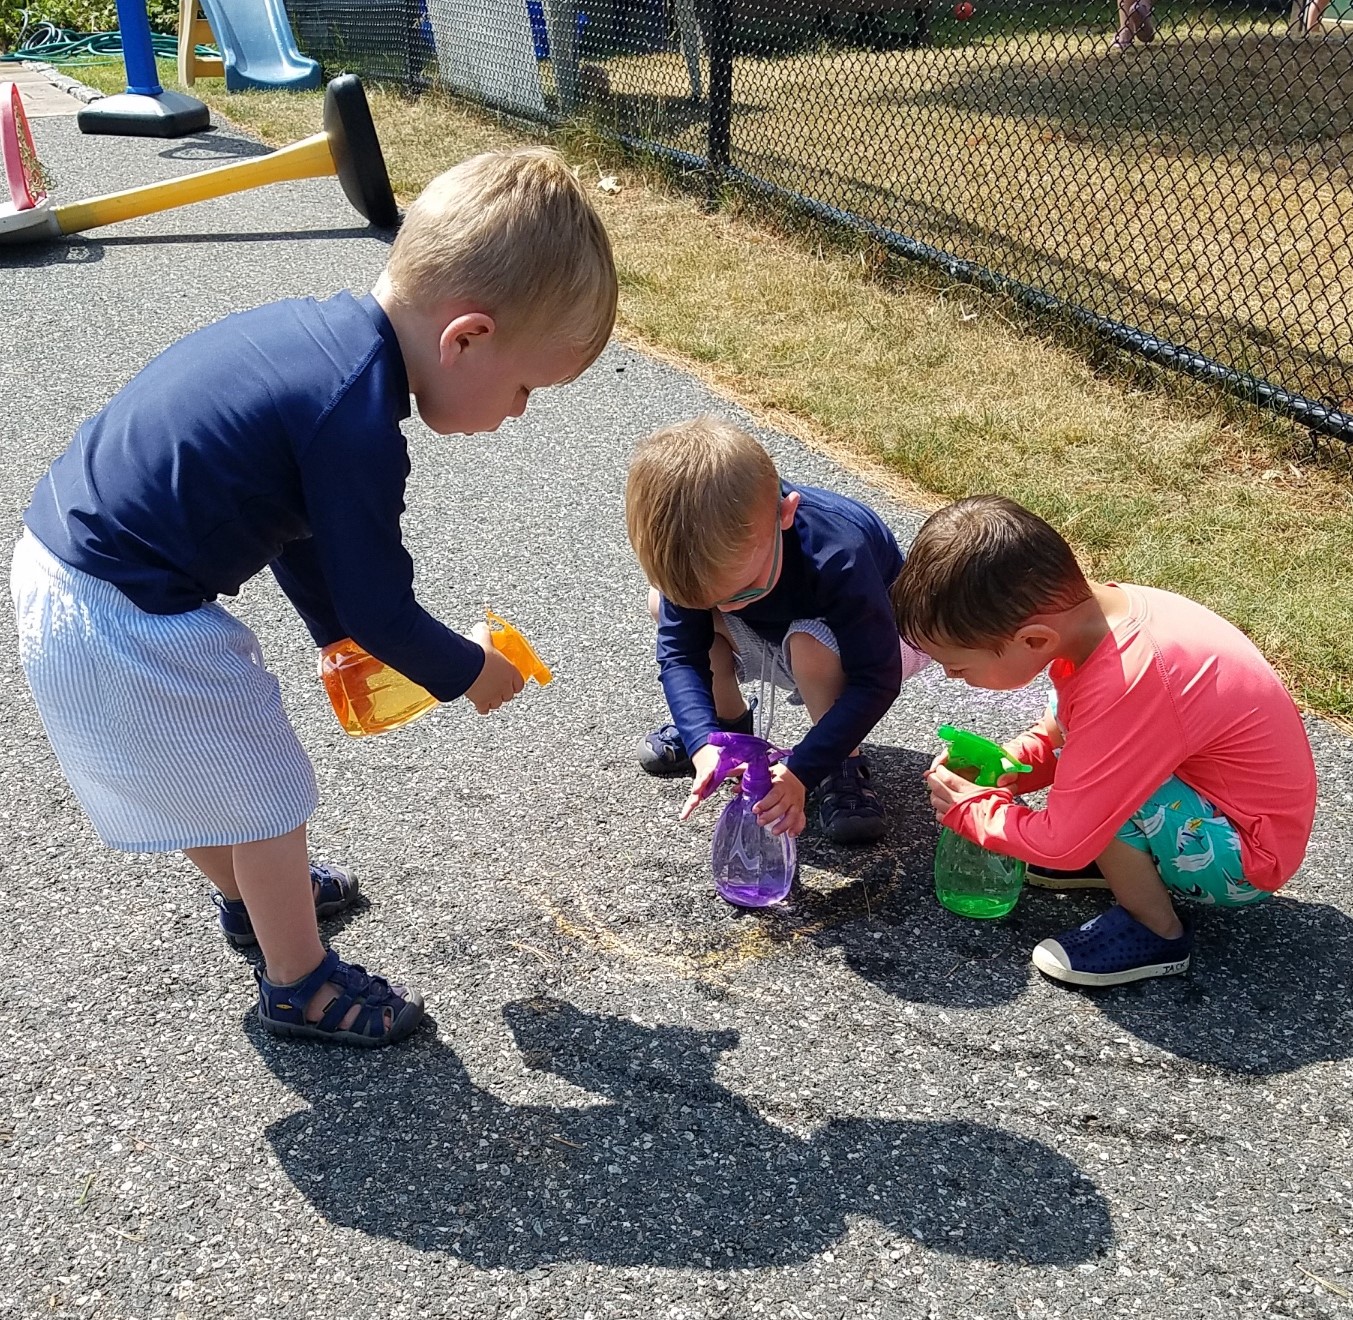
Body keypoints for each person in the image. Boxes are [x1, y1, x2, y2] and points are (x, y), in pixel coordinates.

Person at [11, 147, 617, 1047]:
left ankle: (261, 899)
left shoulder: (326, 346)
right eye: (526, 387)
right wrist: (470, 672)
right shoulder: (358, 423)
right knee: (265, 791)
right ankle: (297, 983)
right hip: (124, 609)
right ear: (465, 338)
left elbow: (295, 527)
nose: (520, 410)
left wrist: (333, 634)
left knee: (203, 775)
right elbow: (382, 604)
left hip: (63, 567)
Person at [892, 494, 1317, 987]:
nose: (950, 676)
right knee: (1097, 775)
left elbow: (1064, 844)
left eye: (958, 666)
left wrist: (972, 811)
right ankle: (1125, 861)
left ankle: (1155, 930)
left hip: (1245, 857)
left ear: (1034, 640)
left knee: (1104, 795)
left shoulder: (1128, 680)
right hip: (1222, 808)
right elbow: (1064, 732)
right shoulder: (1099, 621)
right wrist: (1006, 766)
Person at [625, 416, 931, 846]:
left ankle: (841, 764)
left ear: (785, 515)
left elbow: (876, 678)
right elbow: (681, 655)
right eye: (711, 600)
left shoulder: (838, 553)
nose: (727, 608)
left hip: (878, 640)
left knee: (809, 643)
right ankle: (727, 733)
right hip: (775, 634)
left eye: (744, 589)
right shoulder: (692, 556)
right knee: (661, 603)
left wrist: (801, 770)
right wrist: (700, 741)